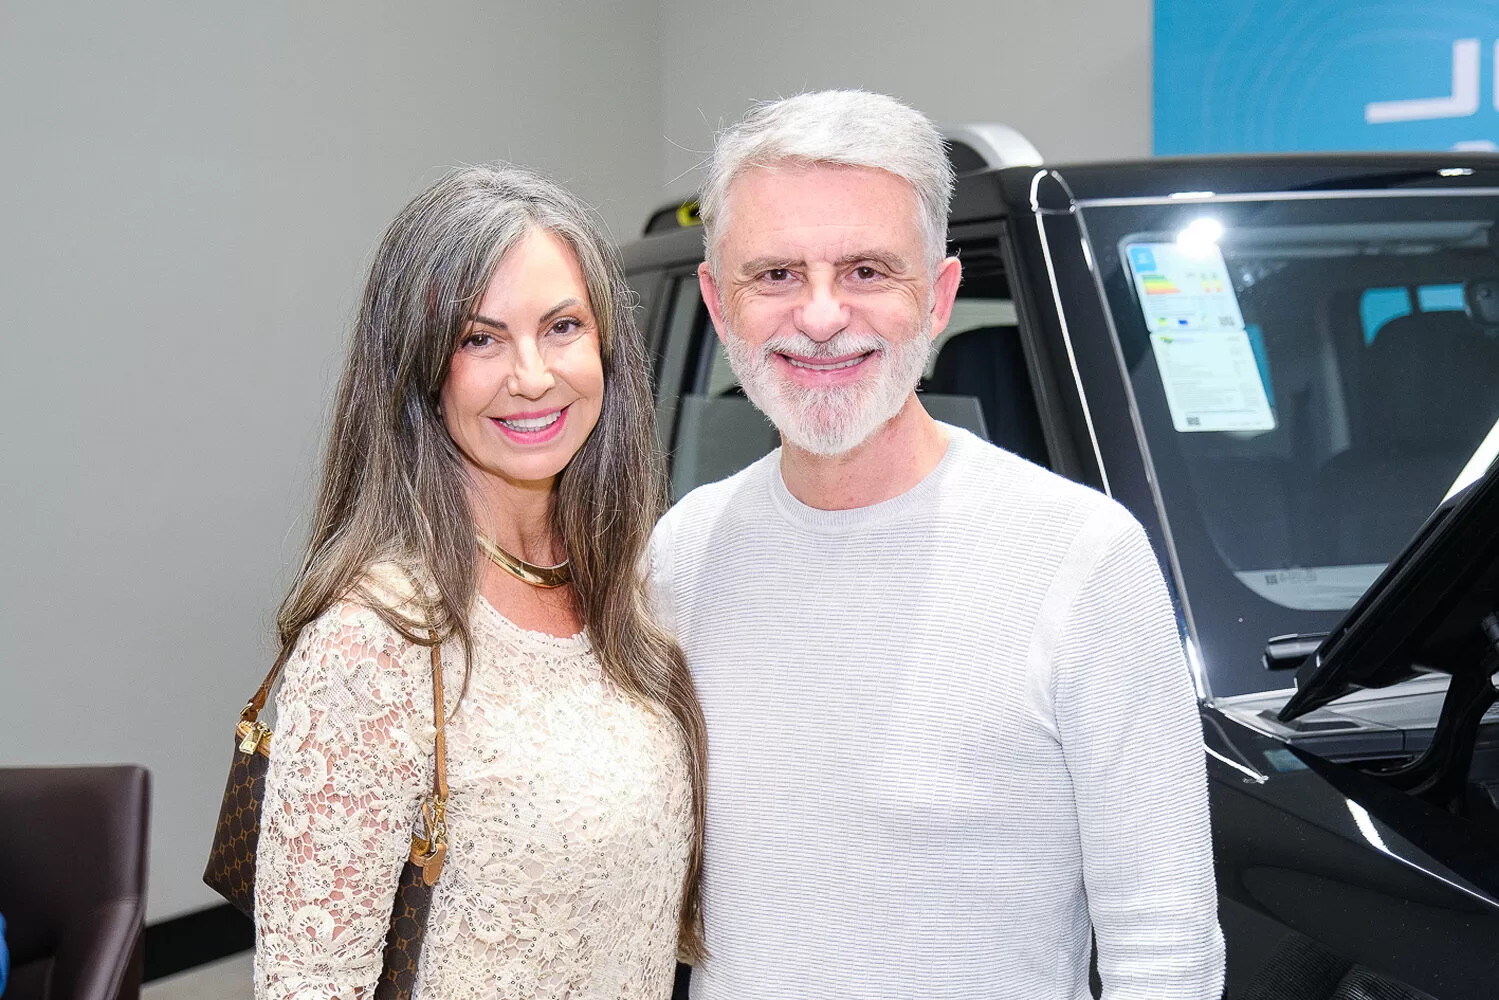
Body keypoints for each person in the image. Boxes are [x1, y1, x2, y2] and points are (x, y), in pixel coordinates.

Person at [649, 90, 1225, 998]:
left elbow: (1164, 942)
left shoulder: (1081, 558)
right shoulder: (684, 553)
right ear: (720, 305)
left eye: (867, 270)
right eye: (777, 274)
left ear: (939, 297)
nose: (822, 315)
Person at [253, 165, 706, 999]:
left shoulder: (627, 590)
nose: (531, 375)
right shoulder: (375, 639)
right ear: (419, 370)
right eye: (479, 339)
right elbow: (308, 983)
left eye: (562, 326)